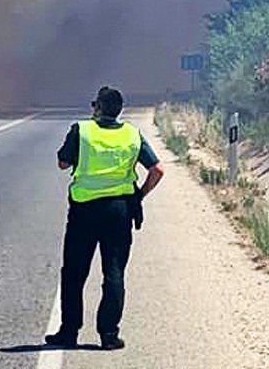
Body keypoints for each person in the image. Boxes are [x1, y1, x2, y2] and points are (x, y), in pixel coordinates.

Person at [45, 86, 165, 350]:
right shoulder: (132, 134)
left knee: (74, 273)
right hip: (119, 212)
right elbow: (157, 169)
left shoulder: (82, 130)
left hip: (84, 212)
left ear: (98, 108)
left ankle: (69, 332)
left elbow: (63, 163)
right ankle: (109, 335)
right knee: (113, 272)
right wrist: (139, 196)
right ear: (119, 110)